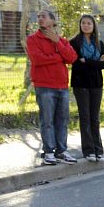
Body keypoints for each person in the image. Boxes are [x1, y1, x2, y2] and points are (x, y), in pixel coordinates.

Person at [27, 10, 78, 166]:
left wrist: (57, 42)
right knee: (47, 121)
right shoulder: (33, 39)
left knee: (62, 121)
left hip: (62, 86)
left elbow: (72, 58)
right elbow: (37, 59)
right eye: (39, 17)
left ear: (53, 21)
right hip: (44, 86)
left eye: (44, 16)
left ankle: (61, 151)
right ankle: (49, 152)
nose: (40, 19)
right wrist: (58, 58)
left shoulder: (61, 40)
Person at [69, 14, 104, 163]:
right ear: (80, 25)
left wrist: (87, 62)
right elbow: (76, 64)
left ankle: (99, 150)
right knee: (85, 118)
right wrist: (95, 62)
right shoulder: (74, 43)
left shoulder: (99, 43)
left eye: (89, 23)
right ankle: (88, 151)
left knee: (95, 119)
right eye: (83, 23)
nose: (86, 25)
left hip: (97, 84)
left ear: (93, 26)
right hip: (81, 84)